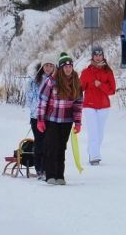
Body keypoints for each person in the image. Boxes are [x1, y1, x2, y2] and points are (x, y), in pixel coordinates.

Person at [37, 52, 83, 185]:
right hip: (51, 120)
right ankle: (50, 175)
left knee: (61, 148)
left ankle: (60, 176)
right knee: (52, 147)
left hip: (66, 121)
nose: (68, 69)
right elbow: (43, 101)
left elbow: (78, 104)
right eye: (65, 66)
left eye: (70, 66)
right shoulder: (52, 81)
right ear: (61, 67)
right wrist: (40, 119)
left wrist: (78, 122)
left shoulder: (76, 82)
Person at [80, 46, 116, 166]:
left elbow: (112, 90)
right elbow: (81, 88)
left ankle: (92, 151)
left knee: (99, 133)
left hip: (104, 106)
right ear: (92, 56)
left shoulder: (108, 71)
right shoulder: (86, 72)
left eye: (100, 55)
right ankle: (95, 156)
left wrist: (100, 85)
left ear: (103, 56)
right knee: (93, 131)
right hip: (89, 105)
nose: (98, 57)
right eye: (96, 55)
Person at [25, 55, 57, 180]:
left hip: (51, 117)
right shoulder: (34, 81)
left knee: (49, 143)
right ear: (42, 66)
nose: (48, 68)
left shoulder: (56, 81)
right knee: (39, 142)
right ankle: (39, 169)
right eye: (46, 65)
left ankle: (48, 168)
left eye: (51, 65)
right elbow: (29, 99)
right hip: (36, 117)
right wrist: (37, 112)